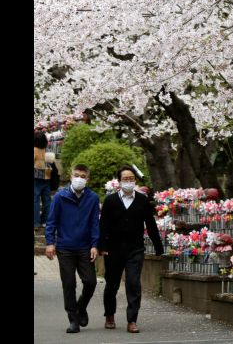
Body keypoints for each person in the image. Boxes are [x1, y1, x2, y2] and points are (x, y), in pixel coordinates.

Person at [99, 165, 163, 333]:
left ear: (135, 181)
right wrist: (102, 247)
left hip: (135, 248)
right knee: (112, 285)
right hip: (113, 249)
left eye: (131, 179)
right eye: (125, 179)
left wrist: (158, 247)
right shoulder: (111, 200)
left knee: (133, 283)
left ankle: (132, 320)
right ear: (119, 181)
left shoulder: (142, 200)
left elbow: (151, 224)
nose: (128, 182)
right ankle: (110, 315)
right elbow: (103, 225)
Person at [45, 164, 100, 333]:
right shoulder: (60, 197)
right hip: (65, 248)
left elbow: (94, 223)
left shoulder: (92, 198)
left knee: (90, 281)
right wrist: (49, 243)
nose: (79, 178)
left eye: (83, 176)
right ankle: (73, 320)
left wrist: (95, 245)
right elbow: (52, 221)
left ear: (87, 179)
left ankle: (81, 307)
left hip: (84, 247)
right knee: (69, 284)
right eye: (76, 175)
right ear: (70, 176)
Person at [34, 130, 55, 228]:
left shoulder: (34, 150)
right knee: (47, 200)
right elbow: (52, 164)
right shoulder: (48, 150)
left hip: (36, 177)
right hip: (47, 177)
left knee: (35, 200)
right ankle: (45, 221)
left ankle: (36, 222)